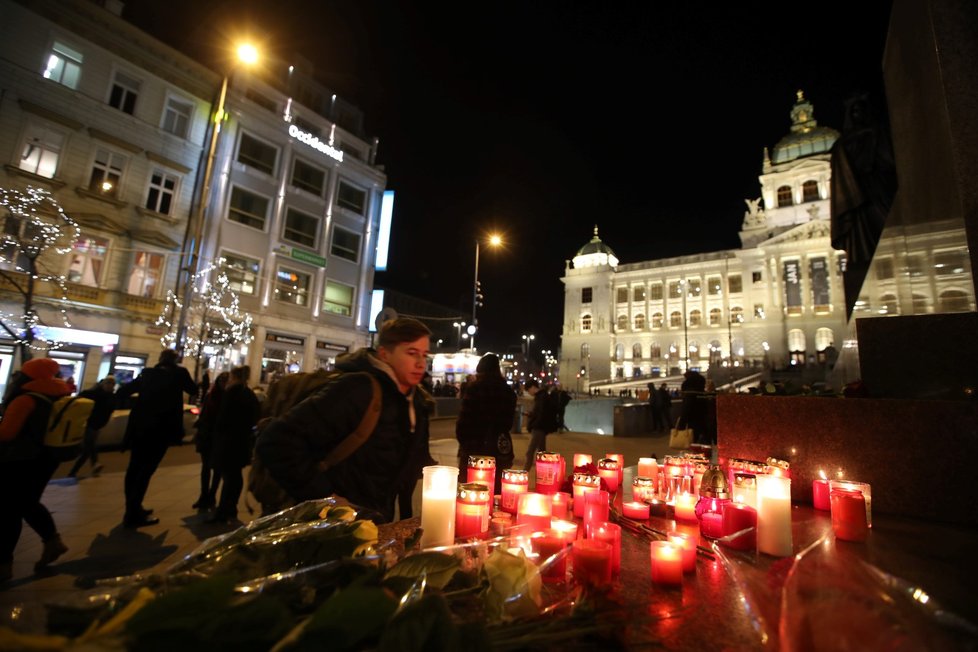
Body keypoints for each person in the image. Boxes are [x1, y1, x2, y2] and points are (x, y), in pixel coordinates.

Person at [256, 318, 434, 524]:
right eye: (411, 353)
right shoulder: (358, 389)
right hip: (331, 529)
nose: (421, 363)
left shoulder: (416, 401)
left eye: (424, 355)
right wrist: (326, 499)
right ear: (385, 354)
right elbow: (275, 441)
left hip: (374, 524)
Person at [0, 358, 71, 581]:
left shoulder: (26, 399)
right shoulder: (60, 396)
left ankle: (3, 564)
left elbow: (6, 434)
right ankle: (52, 542)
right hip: (46, 459)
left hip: (19, 460)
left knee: (9, 510)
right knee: (27, 503)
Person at [118, 349, 197, 528]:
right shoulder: (179, 374)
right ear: (175, 361)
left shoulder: (147, 374)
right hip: (161, 429)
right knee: (146, 470)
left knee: (134, 468)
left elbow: (123, 391)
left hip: (140, 427)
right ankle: (133, 513)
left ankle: (132, 507)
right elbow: (193, 389)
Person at [454, 354, 517, 494]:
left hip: (475, 447)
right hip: (500, 449)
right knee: (496, 490)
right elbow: (508, 424)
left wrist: (464, 444)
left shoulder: (474, 389)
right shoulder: (508, 392)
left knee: (472, 492)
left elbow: (463, 422)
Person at [209, 366, 260, 523]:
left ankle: (223, 510)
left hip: (228, 441)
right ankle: (231, 507)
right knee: (234, 476)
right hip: (242, 440)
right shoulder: (249, 394)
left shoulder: (232, 393)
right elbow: (256, 415)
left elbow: (222, 418)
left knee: (229, 477)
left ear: (234, 377)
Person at [192, 371, 229, 510]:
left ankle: (211, 495)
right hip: (208, 435)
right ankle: (204, 495)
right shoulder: (211, 395)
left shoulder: (228, 397)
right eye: (222, 381)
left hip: (218, 436)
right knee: (206, 467)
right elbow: (204, 414)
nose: (224, 384)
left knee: (217, 469)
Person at [67, 376, 117, 478]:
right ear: (103, 384)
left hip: (97, 424)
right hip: (89, 423)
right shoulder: (94, 393)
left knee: (87, 449)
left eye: (112, 384)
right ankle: (94, 464)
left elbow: (110, 409)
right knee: (90, 444)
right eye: (108, 383)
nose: (110, 386)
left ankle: (73, 472)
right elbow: (81, 397)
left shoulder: (110, 396)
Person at [522, 379, 558, 472]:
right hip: (541, 427)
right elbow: (539, 412)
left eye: (529, 390)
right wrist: (531, 414)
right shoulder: (542, 396)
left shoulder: (541, 397)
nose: (529, 393)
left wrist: (533, 424)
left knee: (530, 451)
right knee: (542, 452)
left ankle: (524, 472)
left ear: (533, 387)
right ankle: (544, 473)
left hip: (539, 428)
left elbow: (541, 414)